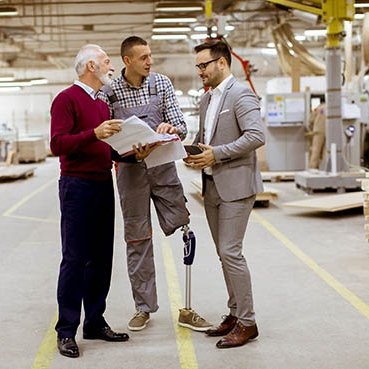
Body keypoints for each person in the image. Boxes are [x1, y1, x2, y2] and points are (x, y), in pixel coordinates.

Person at [99, 36, 211, 332]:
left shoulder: (161, 83)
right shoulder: (109, 92)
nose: (150, 61)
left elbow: (182, 125)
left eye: (150, 55)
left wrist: (170, 127)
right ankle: (143, 308)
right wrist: (125, 149)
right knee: (137, 239)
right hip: (129, 172)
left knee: (184, 228)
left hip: (162, 167)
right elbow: (105, 138)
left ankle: (187, 307)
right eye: (144, 57)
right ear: (127, 61)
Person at [50, 44, 155, 358]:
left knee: (100, 258)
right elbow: (57, 144)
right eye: (107, 62)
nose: (112, 67)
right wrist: (93, 134)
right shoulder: (66, 99)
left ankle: (94, 321)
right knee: (74, 259)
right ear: (90, 66)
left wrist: (134, 155)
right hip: (76, 187)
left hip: (101, 184)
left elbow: (104, 148)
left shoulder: (100, 103)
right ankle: (66, 330)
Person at [185, 39, 265, 349]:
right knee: (223, 254)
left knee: (231, 252)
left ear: (222, 63)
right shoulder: (207, 100)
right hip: (211, 187)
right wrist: (190, 151)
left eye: (204, 65)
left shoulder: (241, 93)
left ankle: (248, 322)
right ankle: (234, 313)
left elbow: (256, 135)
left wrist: (217, 154)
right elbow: (203, 137)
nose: (199, 71)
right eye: (197, 66)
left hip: (235, 185)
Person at [307, 101, 326, 169]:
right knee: (325, 151)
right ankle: (324, 168)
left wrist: (310, 126)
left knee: (316, 150)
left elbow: (311, 119)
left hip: (318, 131)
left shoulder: (319, 108)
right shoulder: (330, 108)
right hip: (328, 131)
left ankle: (312, 167)